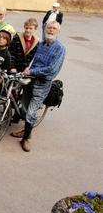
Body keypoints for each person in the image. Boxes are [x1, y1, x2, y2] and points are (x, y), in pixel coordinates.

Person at [12, 21, 66, 152]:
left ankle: (26, 139)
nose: (51, 30)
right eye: (49, 28)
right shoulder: (41, 45)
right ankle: (25, 130)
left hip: (42, 84)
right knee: (24, 108)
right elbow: (33, 61)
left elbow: (52, 70)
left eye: (54, 29)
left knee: (31, 111)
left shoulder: (60, 48)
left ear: (58, 31)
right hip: (30, 81)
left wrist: (32, 71)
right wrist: (26, 69)